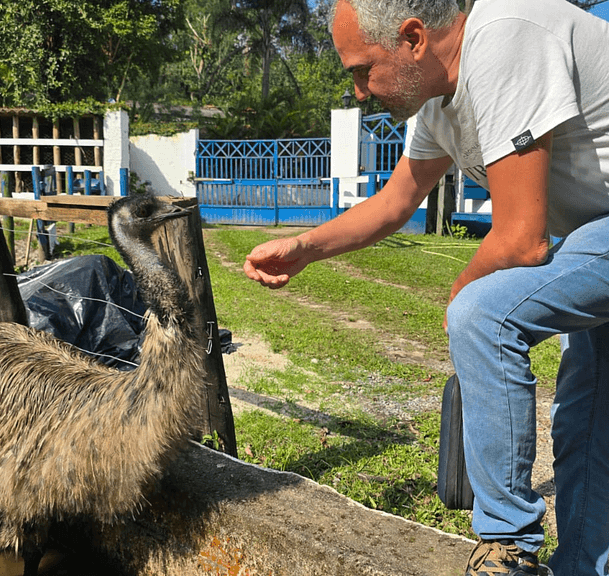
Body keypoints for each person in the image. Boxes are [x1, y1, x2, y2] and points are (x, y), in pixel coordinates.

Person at [242, 0, 609, 574]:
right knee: (588, 421)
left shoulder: (507, 37)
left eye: (363, 69)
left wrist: (461, 296)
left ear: (413, 38)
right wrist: (305, 249)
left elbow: (520, 241)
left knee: (484, 315)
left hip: (598, 232)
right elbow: (393, 204)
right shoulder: (443, 99)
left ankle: (507, 548)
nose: (360, 92)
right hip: (595, 233)